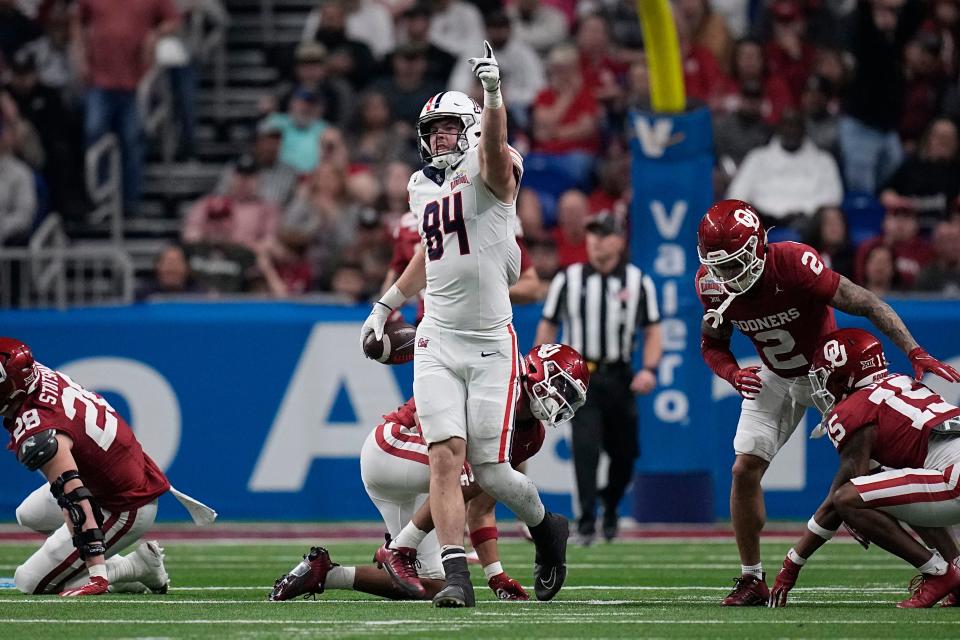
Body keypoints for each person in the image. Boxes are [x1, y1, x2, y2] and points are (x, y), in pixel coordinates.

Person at [359, 42, 570, 608]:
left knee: (494, 471)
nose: (438, 140)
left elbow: (497, 162)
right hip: (436, 337)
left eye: (450, 129)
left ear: (472, 127)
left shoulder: (492, 164)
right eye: (432, 131)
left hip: (490, 341)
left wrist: (495, 95)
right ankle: (456, 576)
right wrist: (386, 305)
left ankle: (548, 528)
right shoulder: (421, 185)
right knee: (445, 458)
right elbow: (431, 252)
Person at [696, 199, 958, 606]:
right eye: (720, 265)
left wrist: (913, 348)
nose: (726, 275)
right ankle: (752, 579)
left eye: (734, 263)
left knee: (886, 472)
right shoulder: (711, 282)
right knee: (743, 469)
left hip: (828, 374)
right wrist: (731, 372)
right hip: (771, 375)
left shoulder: (795, 263)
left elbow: (867, 302)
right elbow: (711, 346)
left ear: (757, 247)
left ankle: (951, 568)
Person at [268, 344, 589, 603]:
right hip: (393, 448)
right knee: (474, 467)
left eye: (571, 397)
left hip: (430, 479)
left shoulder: (532, 435)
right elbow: (439, 432)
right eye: (563, 386)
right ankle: (548, 529)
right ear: (536, 368)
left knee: (431, 584)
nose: (563, 401)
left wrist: (496, 575)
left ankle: (325, 573)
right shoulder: (497, 379)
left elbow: (480, 504)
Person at [1, 337, 216, 595]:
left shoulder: (40, 428)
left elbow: (76, 502)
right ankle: (111, 565)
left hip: (123, 505)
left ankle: (135, 567)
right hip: (112, 476)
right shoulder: (35, 377)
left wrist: (98, 575)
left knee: (28, 581)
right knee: (30, 514)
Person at [768, 328, 960, 608]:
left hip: (954, 477)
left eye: (826, 374)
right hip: (949, 470)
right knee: (898, 488)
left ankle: (938, 573)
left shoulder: (854, 411)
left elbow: (839, 500)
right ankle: (956, 571)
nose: (824, 384)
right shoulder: (903, 383)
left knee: (849, 498)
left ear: (846, 374)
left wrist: (792, 563)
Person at [535, 211, 662, 544]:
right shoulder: (568, 278)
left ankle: (609, 502)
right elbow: (548, 324)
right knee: (586, 450)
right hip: (579, 379)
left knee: (626, 454)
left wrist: (649, 369)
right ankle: (588, 520)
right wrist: (540, 365)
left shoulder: (638, 281)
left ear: (619, 241)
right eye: (591, 234)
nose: (595, 241)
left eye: (604, 235)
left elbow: (653, 330)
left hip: (620, 376)